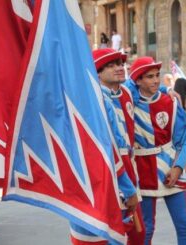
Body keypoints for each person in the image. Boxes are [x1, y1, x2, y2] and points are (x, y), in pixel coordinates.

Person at [70, 49, 139, 245]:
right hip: (106, 179)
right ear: (97, 72)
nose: (119, 68)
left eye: (120, 63)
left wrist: (168, 90)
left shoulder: (124, 91)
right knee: (108, 235)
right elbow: (110, 151)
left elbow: (142, 86)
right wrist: (128, 189)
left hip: (120, 174)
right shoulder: (97, 101)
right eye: (111, 65)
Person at [129, 56, 186, 245]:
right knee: (146, 229)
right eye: (149, 77)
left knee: (184, 224)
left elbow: (183, 139)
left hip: (169, 168)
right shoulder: (128, 101)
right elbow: (125, 84)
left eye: (157, 75)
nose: (156, 80)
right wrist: (167, 87)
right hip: (142, 172)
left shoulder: (172, 103)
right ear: (138, 80)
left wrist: (178, 167)